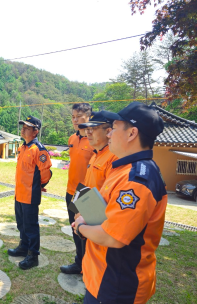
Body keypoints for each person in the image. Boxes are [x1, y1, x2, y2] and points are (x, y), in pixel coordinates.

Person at [73, 102, 167, 304]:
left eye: (113, 129)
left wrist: (81, 226)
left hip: (116, 284)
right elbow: (108, 213)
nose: (109, 134)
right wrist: (86, 214)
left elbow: (113, 237)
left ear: (132, 133)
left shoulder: (136, 179)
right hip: (101, 275)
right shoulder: (124, 169)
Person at [7, 115, 52, 270]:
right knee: (21, 224)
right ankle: (23, 247)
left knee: (31, 227)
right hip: (19, 193)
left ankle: (33, 256)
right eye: (23, 127)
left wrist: (38, 185)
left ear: (36, 131)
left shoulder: (38, 150)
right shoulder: (23, 147)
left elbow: (46, 173)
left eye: (27, 128)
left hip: (30, 195)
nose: (23, 130)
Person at [60, 103, 94, 274]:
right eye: (73, 116)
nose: (74, 120)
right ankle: (78, 263)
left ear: (89, 117)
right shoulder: (72, 139)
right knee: (75, 230)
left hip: (87, 194)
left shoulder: (95, 140)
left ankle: (89, 269)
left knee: (87, 234)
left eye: (78, 116)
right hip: (71, 191)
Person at [80, 111, 118, 191]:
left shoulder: (114, 157)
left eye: (93, 129)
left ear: (108, 131)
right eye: (87, 129)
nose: (88, 133)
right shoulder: (96, 154)